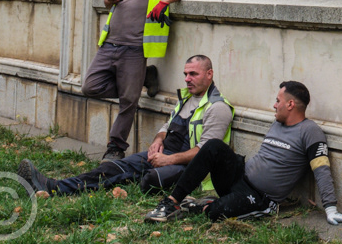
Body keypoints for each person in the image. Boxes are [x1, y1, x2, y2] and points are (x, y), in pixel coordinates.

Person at [143, 80, 342, 225]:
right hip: (239, 177)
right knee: (214, 146)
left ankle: (200, 207)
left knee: (218, 212)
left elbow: (322, 169)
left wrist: (330, 209)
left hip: (260, 198)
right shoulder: (277, 123)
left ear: (290, 104)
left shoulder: (311, 131)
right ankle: (171, 202)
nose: (274, 105)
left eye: (278, 101)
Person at [18, 55, 232, 196]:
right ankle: (53, 187)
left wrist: (168, 159)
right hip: (163, 155)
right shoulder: (186, 97)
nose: (187, 79)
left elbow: (205, 152)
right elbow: (168, 123)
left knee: (149, 181)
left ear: (209, 74)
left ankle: (127, 178)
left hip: (189, 168)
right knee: (111, 167)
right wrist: (159, 139)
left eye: (193, 74)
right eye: (185, 74)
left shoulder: (217, 108)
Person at [83, 0, 197, 160]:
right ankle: (143, 77)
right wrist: (109, 1)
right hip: (110, 43)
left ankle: (115, 147)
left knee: (128, 100)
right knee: (90, 87)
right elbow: (110, 2)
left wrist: (165, 0)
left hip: (135, 47)